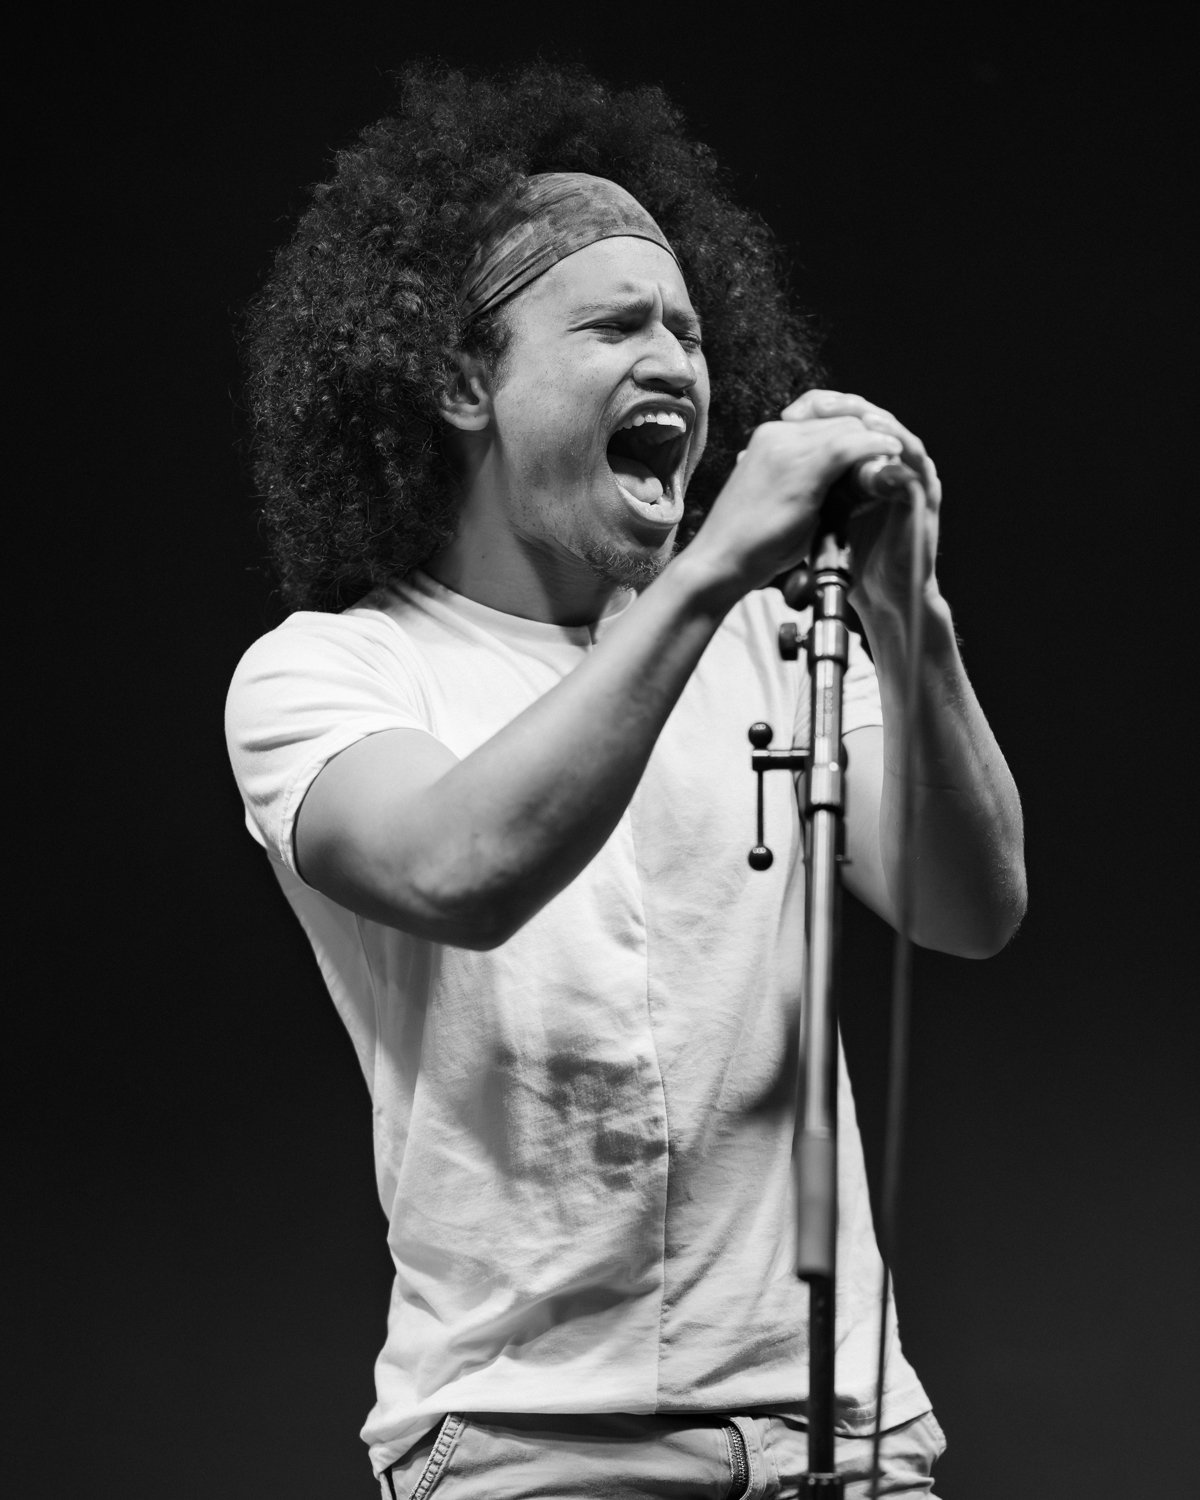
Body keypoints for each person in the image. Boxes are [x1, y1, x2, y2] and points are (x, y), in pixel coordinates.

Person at [226, 60, 1025, 1498]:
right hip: (531, 1441)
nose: (678, 361)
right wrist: (719, 565)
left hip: (844, 1431)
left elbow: (971, 908)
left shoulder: (788, 645)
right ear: (465, 380)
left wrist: (916, 618)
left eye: (690, 330)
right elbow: (459, 872)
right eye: (614, 325)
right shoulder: (322, 674)